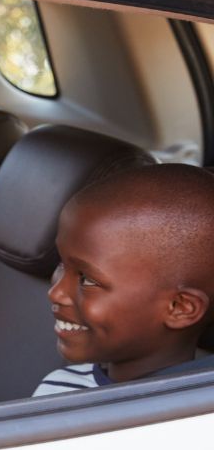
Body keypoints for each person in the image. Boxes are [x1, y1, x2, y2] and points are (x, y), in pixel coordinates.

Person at [36, 163, 214, 395]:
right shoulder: (60, 387)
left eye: (87, 280)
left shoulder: (192, 419)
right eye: (61, 263)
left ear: (179, 307)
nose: (56, 292)